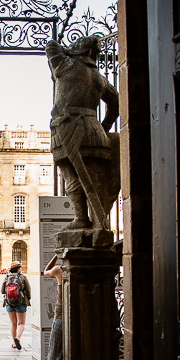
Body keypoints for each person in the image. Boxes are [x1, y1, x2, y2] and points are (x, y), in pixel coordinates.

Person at [46, 36, 119, 231]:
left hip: (66, 128)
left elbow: (51, 45)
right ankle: (97, 222)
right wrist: (104, 126)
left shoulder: (65, 63)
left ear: (76, 50)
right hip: (94, 131)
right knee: (94, 180)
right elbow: (116, 103)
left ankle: (81, 219)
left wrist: (69, 52)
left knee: (71, 177)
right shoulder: (99, 78)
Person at [31, 254, 63, 360]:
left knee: (54, 358)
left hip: (61, 319)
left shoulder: (59, 270)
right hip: (81, 318)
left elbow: (46, 271)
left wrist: (56, 255)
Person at [1, 260, 31, 350]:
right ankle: (17, 338)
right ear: (18, 269)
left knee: (13, 323)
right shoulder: (22, 277)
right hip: (21, 301)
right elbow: (28, 290)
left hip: (9, 302)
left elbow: (2, 291)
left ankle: (14, 343)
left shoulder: (7, 277)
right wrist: (28, 299)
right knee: (21, 323)